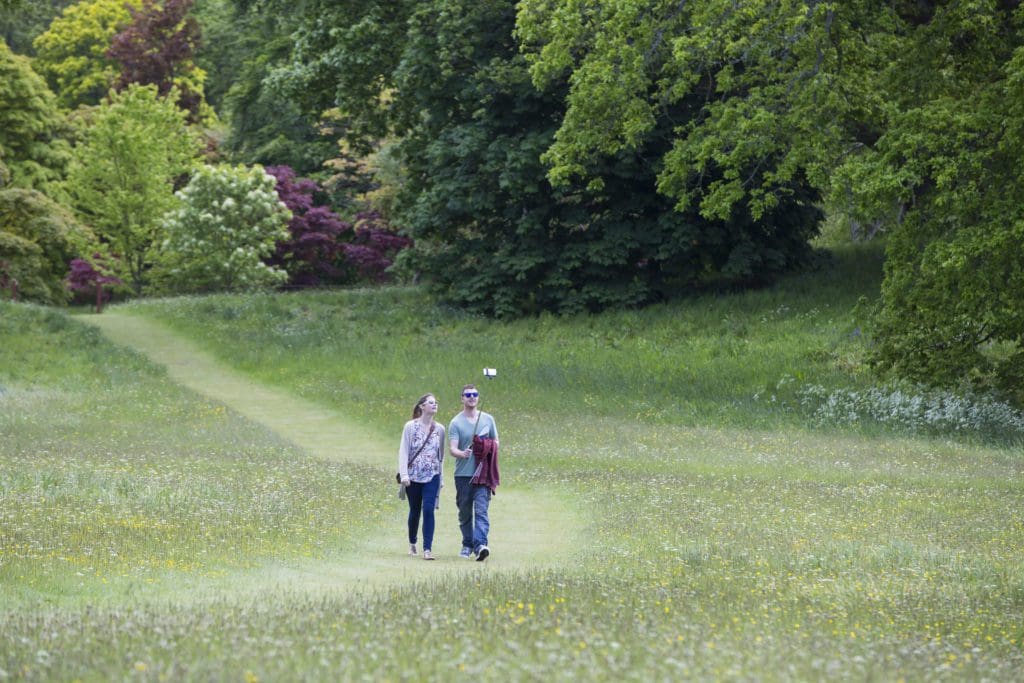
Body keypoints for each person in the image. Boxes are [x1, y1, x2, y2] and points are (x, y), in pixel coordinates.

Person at [449, 383, 499, 561]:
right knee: (464, 512)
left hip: (482, 474)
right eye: (468, 395)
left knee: (481, 510)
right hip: (463, 475)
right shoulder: (456, 422)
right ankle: (467, 544)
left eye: (475, 394)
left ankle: (480, 546)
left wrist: (484, 445)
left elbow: (496, 442)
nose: (472, 397)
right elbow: (452, 449)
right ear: (462, 398)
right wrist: (462, 453)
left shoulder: (488, 419)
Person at [398, 393, 445, 560]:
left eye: (436, 402)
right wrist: (404, 475)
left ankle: (427, 549)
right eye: (431, 402)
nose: (434, 405)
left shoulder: (440, 429)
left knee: (429, 509)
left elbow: (441, 456)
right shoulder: (410, 427)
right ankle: (412, 542)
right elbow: (403, 451)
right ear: (422, 407)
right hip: (413, 477)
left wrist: (441, 478)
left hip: (432, 476)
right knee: (415, 511)